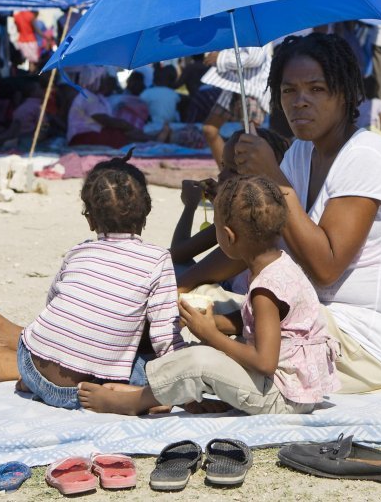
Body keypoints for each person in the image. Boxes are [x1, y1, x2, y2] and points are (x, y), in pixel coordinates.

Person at [178, 33, 381, 393]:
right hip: (302, 316)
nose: (300, 102)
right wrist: (184, 284)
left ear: (347, 94)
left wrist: (272, 174)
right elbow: (259, 245)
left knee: (202, 366)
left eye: (317, 89)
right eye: (289, 91)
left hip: (358, 341)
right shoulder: (301, 153)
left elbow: (325, 268)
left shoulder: (365, 156)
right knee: (197, 305)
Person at [77, 174, 339, 416]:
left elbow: (265, 362)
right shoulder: (280, 265)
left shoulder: (264, 289)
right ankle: (177, 392)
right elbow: (262, 323)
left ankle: (135, 402)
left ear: (227, 236)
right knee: (202, 353)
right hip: (295, 387)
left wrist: (211, 335)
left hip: (281, 397)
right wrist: (216, 324)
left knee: (197, 360)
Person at [0, 155, 185, 408]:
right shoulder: (157, 260)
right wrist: (184, 381)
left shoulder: (77, 252)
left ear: (90, 219)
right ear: (147, 211)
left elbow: (53, 304)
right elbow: (165, 336)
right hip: (83, 391)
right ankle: (136, 399)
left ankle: (32, 382)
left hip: (30, 363)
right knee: (149, 369)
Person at [170, 128, 291, 269]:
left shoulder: (248, 221)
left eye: (233, 170)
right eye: (223, 166)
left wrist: (190, 207)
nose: (221, 176)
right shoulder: (267, 211)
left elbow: (177, 254)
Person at [200, 46, 271, 165]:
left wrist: (220, 58)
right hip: (232, 86)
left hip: (252, 88)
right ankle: (227, 174)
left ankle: (254, 178)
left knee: (250, 138)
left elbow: (255, 58)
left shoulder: (251, 29)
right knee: (209, 130)